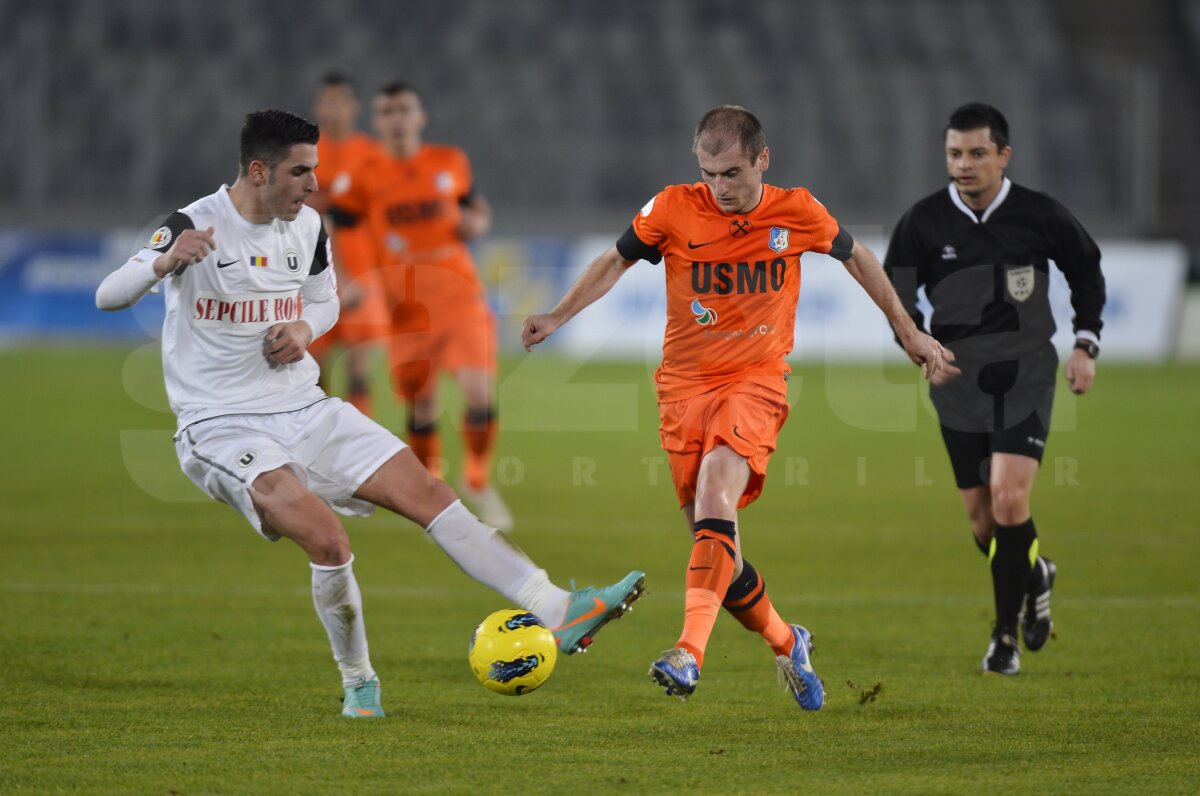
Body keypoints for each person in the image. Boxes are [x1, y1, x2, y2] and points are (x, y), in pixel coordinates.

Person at [95, 109, 645, 718]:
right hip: (220, 424)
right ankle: (359, 681)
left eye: (317, 170)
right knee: (329, 541)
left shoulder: (307, 227)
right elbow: (109, 294)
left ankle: (558, 608)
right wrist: (162, 264)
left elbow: (324, 302)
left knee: (429, 492)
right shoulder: (194, 223)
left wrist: (305, 327)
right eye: (301, 171)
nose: (313, 183)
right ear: (258, 170)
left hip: (303, 406)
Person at [522, 105, 947, 709]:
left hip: (756, 380)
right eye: (708, 173)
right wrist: (558, 314)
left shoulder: (797, 210)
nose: (718, 188)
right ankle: (786, 640)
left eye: (731, 174)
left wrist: (906, 329)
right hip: (683, 390)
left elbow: (857, 257)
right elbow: (616, 259)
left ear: (762, 160)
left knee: (717, 494)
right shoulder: (672, 207)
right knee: (718, 550)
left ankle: (688, 653)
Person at [883, 102, 1105, 676]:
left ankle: (1004, 639)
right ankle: (1036, 574)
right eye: (955, 153)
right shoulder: (922, 222)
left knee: (1010, 499)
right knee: (985, 525)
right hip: (956, 382)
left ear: (1004, 156)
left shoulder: (1038, 214)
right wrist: (921, 345)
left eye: (978, 153)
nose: (964, 164)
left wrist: (1085, 343)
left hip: (1026, 371)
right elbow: (896, 293)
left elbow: (1086, 268)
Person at [328, 81, 513, 530]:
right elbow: (336, 222)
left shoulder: (449, 162)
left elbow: (474, 206)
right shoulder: (365, 174)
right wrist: (348, 277)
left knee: (478, 392)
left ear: (419, 117)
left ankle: (478, 479)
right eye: (387, 111)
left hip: (461, 297)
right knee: (423, 404)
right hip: (406, 306)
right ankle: (433, 490)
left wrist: (479, 222)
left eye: (404, 109)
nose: (396, 119)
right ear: (377, 122)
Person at [304, 72, 391, 416]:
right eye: (328, 101)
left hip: (362, 272)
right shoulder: (306, 151)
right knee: (314, 370)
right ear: (317, 106)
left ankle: (360, 449)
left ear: (354, 106)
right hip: (311, 271)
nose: (335, 109)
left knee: (359, 369)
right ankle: (319, 442)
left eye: (341, 101)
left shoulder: (371, 154)